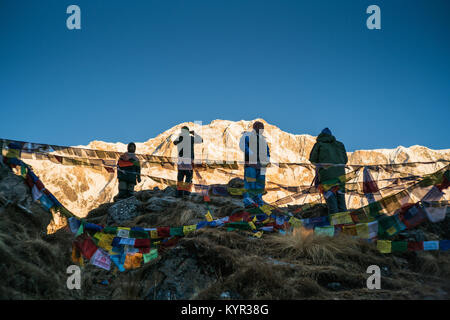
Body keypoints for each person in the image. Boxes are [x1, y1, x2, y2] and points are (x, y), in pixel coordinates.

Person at [309, 128, 348, 214]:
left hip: (327, 179)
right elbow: (345, 160)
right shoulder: (340, 145)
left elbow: (312, 159)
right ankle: (346, 225)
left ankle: (335, 225)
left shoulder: (319, 144)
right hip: (341, 178)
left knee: (332, 205)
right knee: (342, 204)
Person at [239, 121, 270, 207]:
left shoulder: (263, 140)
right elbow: (243, 146)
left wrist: (267, 159)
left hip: (261, 166)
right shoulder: (247, 136)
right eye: (259, 127)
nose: (261, 129)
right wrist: (252, 154)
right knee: (250, 183)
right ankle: (249, 202)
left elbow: (267, 151)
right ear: (254, 127)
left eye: (262, 128)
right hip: (250, 164)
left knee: (260, 184)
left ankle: (259, 202)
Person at [173, 126, 203, 197]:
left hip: (180, 161)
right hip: (189, 160)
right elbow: (201, 140)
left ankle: (179, 194)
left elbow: (174, 143)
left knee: (180, 177)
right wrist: (194, 133)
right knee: (189, 177)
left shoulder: (179, 138)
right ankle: (186, 193)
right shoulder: (191, 138)